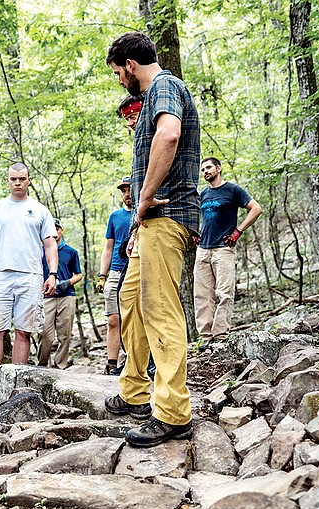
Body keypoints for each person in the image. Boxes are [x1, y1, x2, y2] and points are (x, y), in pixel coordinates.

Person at [103, 32, 200, 448]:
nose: (118, 80)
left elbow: (169, 135)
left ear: (129, 64)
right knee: (131, 302)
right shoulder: (156, 92)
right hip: (148, 224)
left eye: (116, 73)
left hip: (168, 213)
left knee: (160, 310)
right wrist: (137, 225)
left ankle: (174, 412)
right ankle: (135, 392)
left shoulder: (163, 86)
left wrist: (142, 198)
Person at [0, 162, 58, 371]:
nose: (18, 183)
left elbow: (50, 244)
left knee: (24, 331)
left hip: (31, 275)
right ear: (8, 181)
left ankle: (17, 384)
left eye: (22, 179)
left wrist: (53, 274)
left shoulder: (40, 211)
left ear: (29, 180)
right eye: (14, 179)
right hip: (0, 275)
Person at [194, 157, 262, 346]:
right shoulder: (203, 193)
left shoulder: (233, 190)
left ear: (218, 168)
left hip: (223, 249)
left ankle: (221, 335)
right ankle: (206, 338)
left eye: (208, 168)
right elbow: (204, 219)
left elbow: (256, 209)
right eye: (203, 169)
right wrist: (195, 234)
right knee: (202, 295)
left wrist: (238, 231)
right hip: (203, 250)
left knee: (224, 293)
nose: (205, 171)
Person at [96, 177, 132, 375]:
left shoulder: (145, 213)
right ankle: (111, 363)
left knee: (134, 319)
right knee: (113, 319)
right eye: (124, 191)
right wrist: (103, 275)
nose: (127, 194)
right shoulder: (115, 216)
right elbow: (108, 247)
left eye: (130, 189)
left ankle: (135, 361)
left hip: (137, 270)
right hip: (116, 271)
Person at [39, 218, 83, 369]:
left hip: (66, 295)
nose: (55, 232)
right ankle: (42, 364)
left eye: (57, 229)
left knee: (64, 333)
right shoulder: (41, 251)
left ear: (61, 230)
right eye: (51, 229)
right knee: (45, 332)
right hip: (46, 296)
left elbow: (78, 274)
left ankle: (60, 365)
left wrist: (68, 283)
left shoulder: (71, 252)